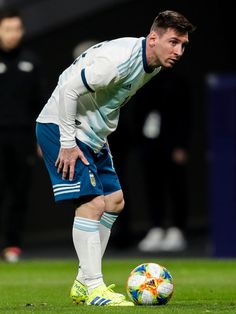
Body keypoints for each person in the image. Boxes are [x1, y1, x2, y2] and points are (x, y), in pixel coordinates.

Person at [36, 10, 195, 306]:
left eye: (183, 45)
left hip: (93, 133)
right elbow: (68, 88)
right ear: (153, 38)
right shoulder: (117, 62)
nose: (178, 51)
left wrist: (100, 133)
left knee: (114, 201)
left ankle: (84, 283)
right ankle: (95, 288)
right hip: (62, 127)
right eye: (173, 42)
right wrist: (68, 143)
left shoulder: (154, 65)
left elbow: (106, 99)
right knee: (93, 203)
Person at [0, 8, 43, 262]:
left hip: (23, 138)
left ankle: (13, 245)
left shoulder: (32, 61)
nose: (12, 34)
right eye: (7, 29)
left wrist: (40, 138)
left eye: (17, 29)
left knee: (19, 192)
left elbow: (40, 103)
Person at [137, 70, 191, 252]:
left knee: (176, 187)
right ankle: (156, 227)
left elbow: (185, 115)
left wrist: (181, 145)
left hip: (172, 144)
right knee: (152, 187)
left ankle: (177, 229)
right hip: (149, 144)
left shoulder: (176, 81)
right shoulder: (141, 80)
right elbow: (136, 113)